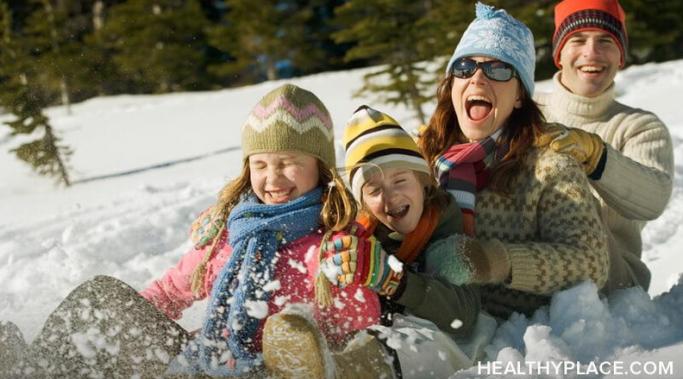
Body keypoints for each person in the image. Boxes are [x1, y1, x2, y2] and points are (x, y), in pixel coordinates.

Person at [2, 84, 382, 378]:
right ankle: (32, 369)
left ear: (320, 167)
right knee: (101, 296)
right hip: (198, 363)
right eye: (261, 164)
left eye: (289, 162)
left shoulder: (334, 244)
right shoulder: (231, 234)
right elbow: (169, 292)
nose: (273, 177)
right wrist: (123, 326)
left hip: (265, 372)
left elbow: (360, 325)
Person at [262, 105, 491, 379]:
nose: (390, 197)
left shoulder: (445, 228)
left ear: (423, 183)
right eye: (374, 190)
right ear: (364, 203)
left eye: (400, 181)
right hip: (376, 328)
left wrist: (392, 280)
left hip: (437, 332)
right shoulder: (362, 231)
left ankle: (339, 371)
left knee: (423, 344)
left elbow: (461, 316)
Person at [417, 2, 610, 319]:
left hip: (514, 341)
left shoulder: (549, 169)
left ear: (520, 95)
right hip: (428, 316)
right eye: (465, 67)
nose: (478, 79)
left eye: (498, 69)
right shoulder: (421, 158)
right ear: (452, 83)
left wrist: (492, 261)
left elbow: (592, 264)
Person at [534, 0, 674, 294]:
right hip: (527, 267)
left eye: (605, 41)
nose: (591, 53)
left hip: (610, 283)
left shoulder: (639, 127)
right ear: (559, 54)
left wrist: (597, 157)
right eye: (578, 40)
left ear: (621, 56)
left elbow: (654, 199)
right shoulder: (526, 110)